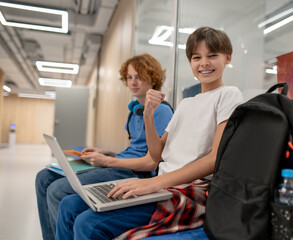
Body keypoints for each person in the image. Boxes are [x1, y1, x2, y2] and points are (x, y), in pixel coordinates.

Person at [55, 26, 244, 240]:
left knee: (87, 225)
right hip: (162, 184)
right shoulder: (186, 104)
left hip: (185, 188)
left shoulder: (229, 95)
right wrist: (148, 116)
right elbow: (156, 155)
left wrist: (154, 183)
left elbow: (214, 159)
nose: (204, 63)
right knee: (68, 205)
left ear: (227, 57)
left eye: (212, 55)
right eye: (196, 57)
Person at [35, 53, 173, 240]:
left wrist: (107, 161)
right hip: (120, 163)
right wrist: (106, 153)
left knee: (57, 190)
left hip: (136, 173)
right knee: (43, 177)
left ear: (153, 78)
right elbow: (133, 149)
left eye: (139, 77)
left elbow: (151, 163)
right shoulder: (133, 112)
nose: (133, 82)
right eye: (130, 77)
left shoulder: (162, 111)